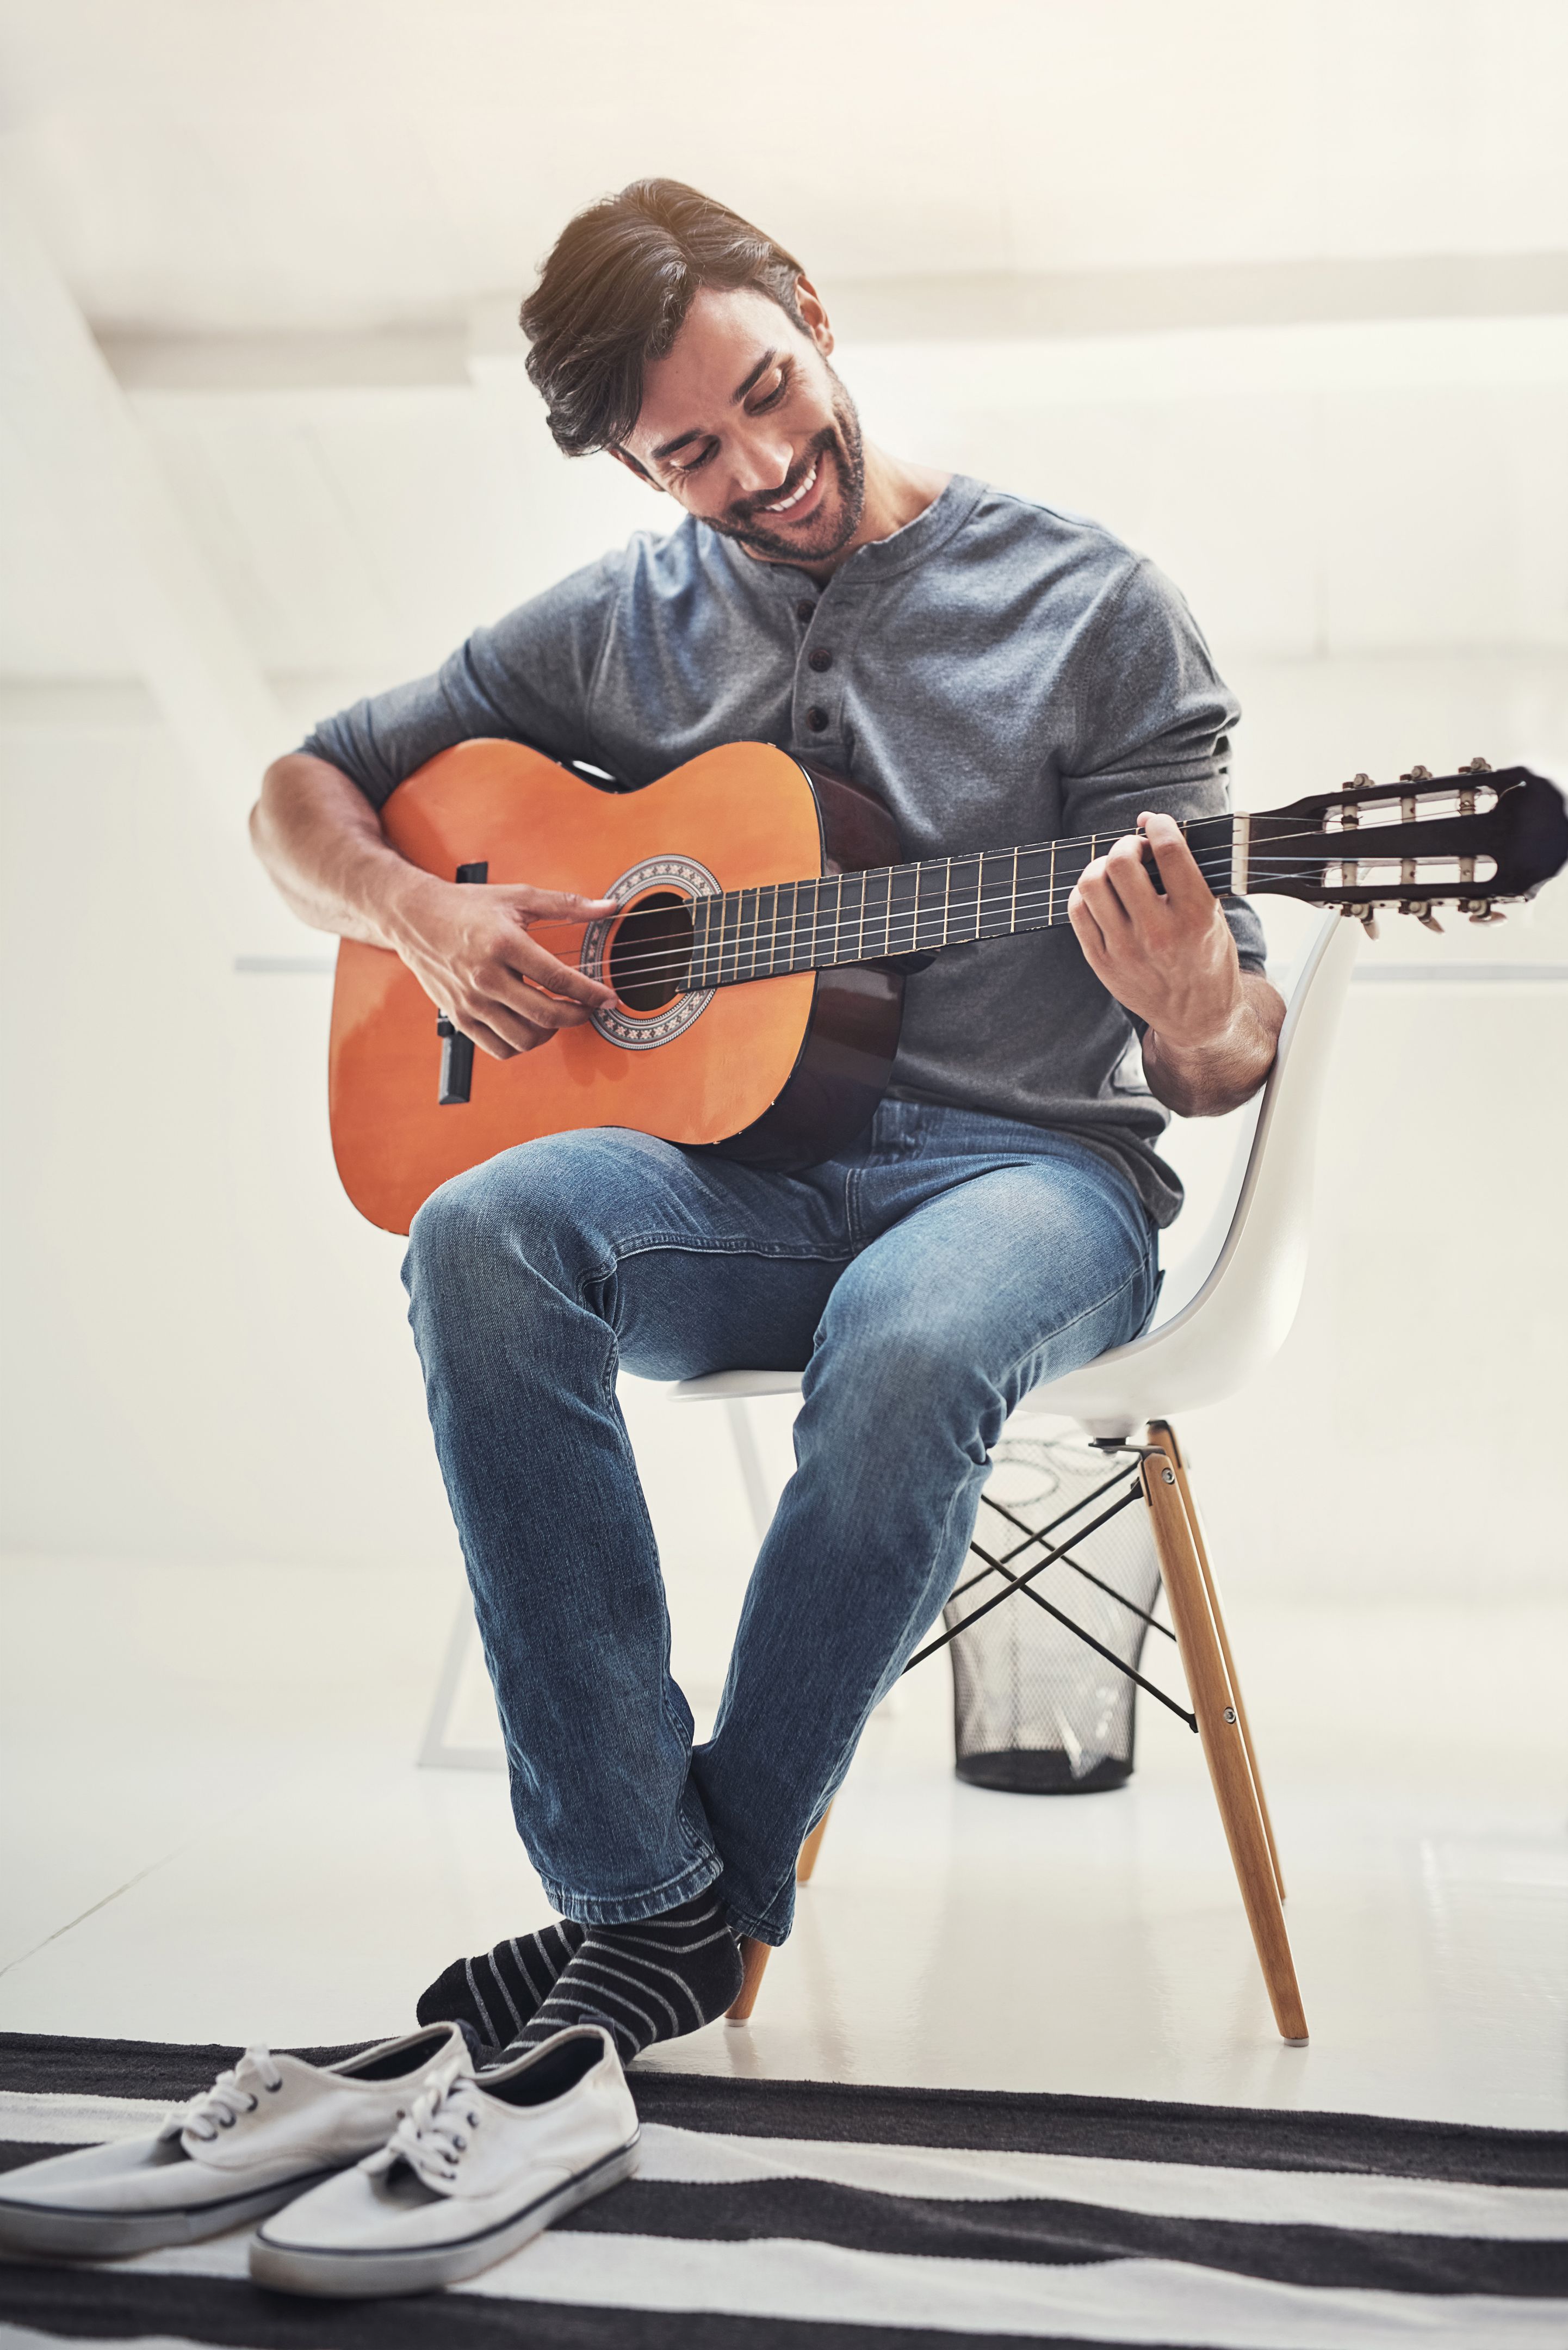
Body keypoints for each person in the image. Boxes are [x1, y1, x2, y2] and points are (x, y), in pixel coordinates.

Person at [251, 178, 1284, 2064]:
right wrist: (426, 911)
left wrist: (1191, 1002)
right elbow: (300, 792)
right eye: (692, 455)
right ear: (639, 473)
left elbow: (1223, 1056)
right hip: (737, 1175)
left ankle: (654, 1918)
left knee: (906, 1350)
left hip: (1027, 1177)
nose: (763, 466)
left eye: (770, 391)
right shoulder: (619, 625)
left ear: (806, 307)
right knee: (483, 1236)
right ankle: (647, 1911)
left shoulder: (1093, 608)